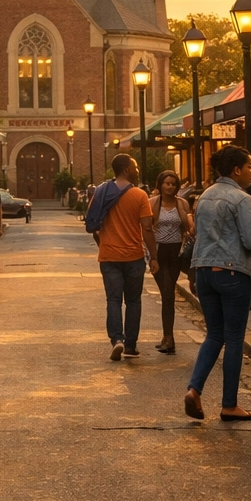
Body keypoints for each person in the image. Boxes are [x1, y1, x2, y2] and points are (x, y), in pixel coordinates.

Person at [183, 146, 251, 421]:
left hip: (204, 270)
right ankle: (229, 403)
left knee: (214, 334)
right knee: (233, 338)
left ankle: (194, 389)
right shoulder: (241, 199)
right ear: (236, 170)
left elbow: (198, 234)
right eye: (249, 167)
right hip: (233, 272)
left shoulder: (205, 196)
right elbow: (250, 241)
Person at [85, 153, 156, 361]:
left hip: (109, 257)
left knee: (113, 300)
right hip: (133, 256)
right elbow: (147, 229)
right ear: (126, 169)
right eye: (135, 166)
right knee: (133, 301)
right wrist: (154, 256)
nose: (137, 169)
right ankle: (131, 345)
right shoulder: (140, 195)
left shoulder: (100, 192)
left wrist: (104, 244)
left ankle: (117, 339)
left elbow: (93, 224)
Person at [149, 170, 193, 353]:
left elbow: (189, 226)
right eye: (166, 183)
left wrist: (191, 227)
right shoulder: (152, 203)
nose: (169, 186)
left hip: (175, 252)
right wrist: (151, 256)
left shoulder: (181, 203)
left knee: (169, 294)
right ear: (160, 185)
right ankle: (168, 336)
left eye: (173, 184)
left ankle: (169, 337)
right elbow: (145, 227)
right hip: (159, 252)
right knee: (166, 293)